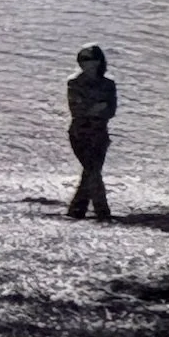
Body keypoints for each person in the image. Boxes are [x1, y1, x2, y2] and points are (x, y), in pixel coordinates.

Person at [65, 45, 117, 222]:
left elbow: (111, 110)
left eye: (91, 59)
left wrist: (95, 109)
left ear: (99, 61)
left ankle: (77, 211)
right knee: (92, 171)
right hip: (80, 134)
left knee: (91, 173)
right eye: (83, 60)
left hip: (100, 134)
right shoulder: (74, 83)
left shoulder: (108, 84)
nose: (87, 64)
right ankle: (102, 212)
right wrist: (95, 108)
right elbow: (77, 110)